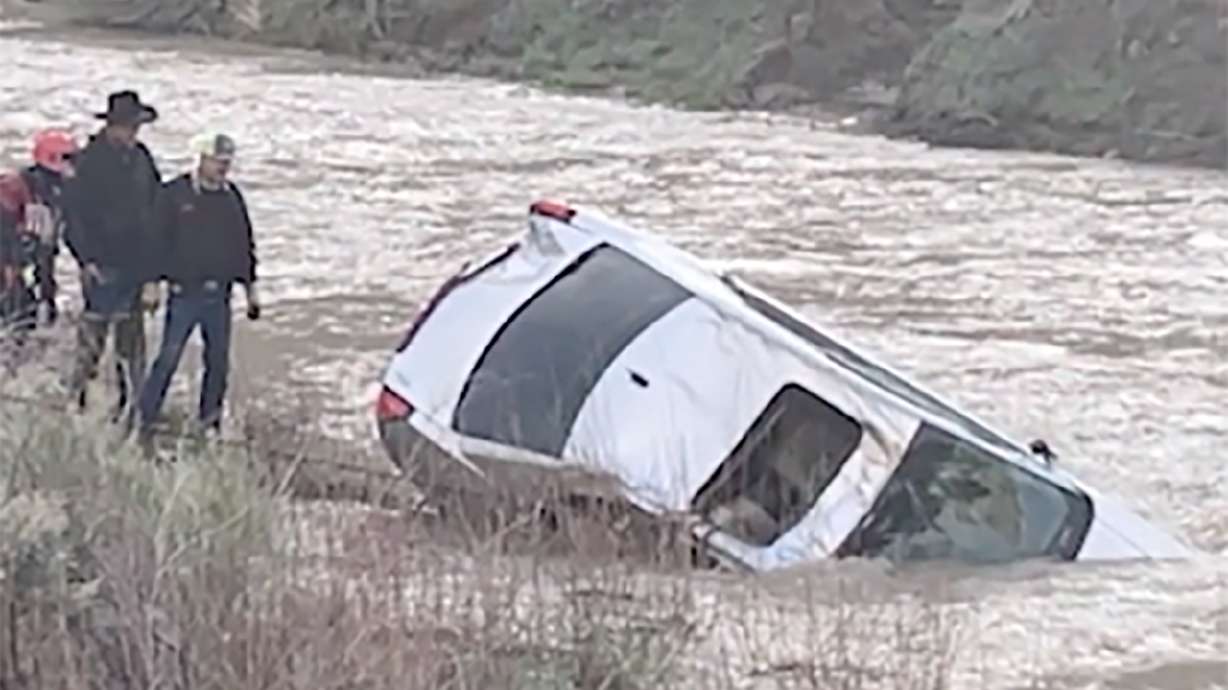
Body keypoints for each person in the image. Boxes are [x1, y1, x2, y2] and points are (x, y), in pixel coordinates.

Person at [137, 131, 261, 446]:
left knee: (218, 363)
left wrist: (251, 290)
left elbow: (244, 245)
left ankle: (209, 424)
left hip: (219, 295)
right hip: (183, 293)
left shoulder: (232, 197)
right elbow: (154, 241)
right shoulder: (174, 194)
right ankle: (144, 419)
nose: (223, 167)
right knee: (168, 357)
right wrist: (151, 282)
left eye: (227, 162)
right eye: (217, 161)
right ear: (201, 159)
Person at [62, 90, 163, 422]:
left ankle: (131, 408)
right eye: (128, 127)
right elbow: (74, 216)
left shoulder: (142, 159)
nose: (133, 134)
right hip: (101, 264)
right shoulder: (89, 162)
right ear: (112, 126)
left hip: (136, 265)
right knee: (92, 340)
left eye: (136, 128)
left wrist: (153, 274)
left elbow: (156, 211)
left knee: (131, 344)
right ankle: (75, 401)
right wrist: (86, 260)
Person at [0, 128, 79, 339]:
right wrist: (9, 267)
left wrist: (47, 291)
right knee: (15, 313)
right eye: (68, 158)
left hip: (29, 258)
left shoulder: (63, 193)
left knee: (31, 315)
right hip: (7, 259)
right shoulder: (14, 187)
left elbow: (48, 245)